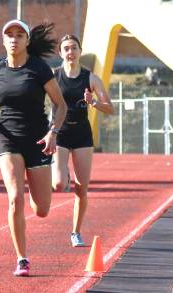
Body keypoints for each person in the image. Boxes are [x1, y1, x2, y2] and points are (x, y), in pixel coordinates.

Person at [0, 19, 67, 277]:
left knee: (42, 210)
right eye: (9, 34)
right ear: (3, 40)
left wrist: (53, 132)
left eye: (20, 35)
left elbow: (60, 105)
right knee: (14, 198)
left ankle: (34, 189)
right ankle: (22, 259)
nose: (14, 39)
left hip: (38, 139)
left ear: (27, 41)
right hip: (8, 138)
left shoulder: (39, 69)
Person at [51, 34, 114, 247]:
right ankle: (63, 172)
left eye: (74, 48)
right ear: (61, 52)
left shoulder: (91, 78)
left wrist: (94, 102)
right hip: (60, 133)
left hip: (82, 137)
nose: (70, 52)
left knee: (82, 189)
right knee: (59, 184)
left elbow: (110, 108)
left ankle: (76, 232)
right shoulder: (53, 76)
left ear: (79, 51)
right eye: (66, 48)